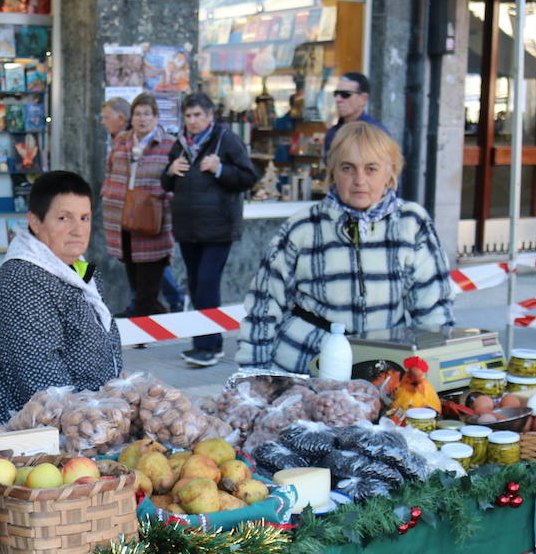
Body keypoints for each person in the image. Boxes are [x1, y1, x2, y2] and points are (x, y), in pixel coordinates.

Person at [238, 122, 454, 374]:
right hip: (305, 365)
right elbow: (263, 306)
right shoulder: (304, 226)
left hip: (383, 368)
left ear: (390, 173)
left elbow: (433, 310)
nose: (359, 180)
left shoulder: (411, 223)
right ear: (332, 173)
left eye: (371, 169)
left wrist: (431, 373)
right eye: (347, 168)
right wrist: (255, 377)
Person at [0, 171, 122, 426]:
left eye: (85, 218)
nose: (78, 230)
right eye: (64, 218)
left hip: (79, 424)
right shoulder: (22, 282)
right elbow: (42, 382)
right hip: (7, 437)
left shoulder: (79, 272)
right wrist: (97, 423)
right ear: (35, 222)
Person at [162, 92, 258, 367]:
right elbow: (166, 184)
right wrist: (169, 171)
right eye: (188, 116)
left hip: (218, 229)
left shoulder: (225, 140)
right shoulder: (180, 144)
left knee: (206, 285)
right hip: (188, 228)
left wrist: (220, 169)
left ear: (209, 116)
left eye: (197, 115)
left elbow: (248, 177)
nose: (192, 121)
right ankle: (210, 343)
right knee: (195, 285)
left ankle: (205, 347)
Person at [102, 94, 174, 317]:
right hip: (123, 217)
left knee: (148, 282)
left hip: (152, 218)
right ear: (131, 117)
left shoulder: (169, 144)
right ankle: (158, 316)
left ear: (156, 117)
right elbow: (110, 169)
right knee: (134, 277)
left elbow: (175, 181)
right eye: (138, 114)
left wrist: (163, 196)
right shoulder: (122, 140)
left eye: (147, 114)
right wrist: (108, 191)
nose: (142, 119)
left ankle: (142, 333)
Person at [322, 72, 390, 164]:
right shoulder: (332, 133)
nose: (338, 99)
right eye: (336, 94)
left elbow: (389, 172)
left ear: (363, 99)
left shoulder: (376, 133)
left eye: (345, 94)